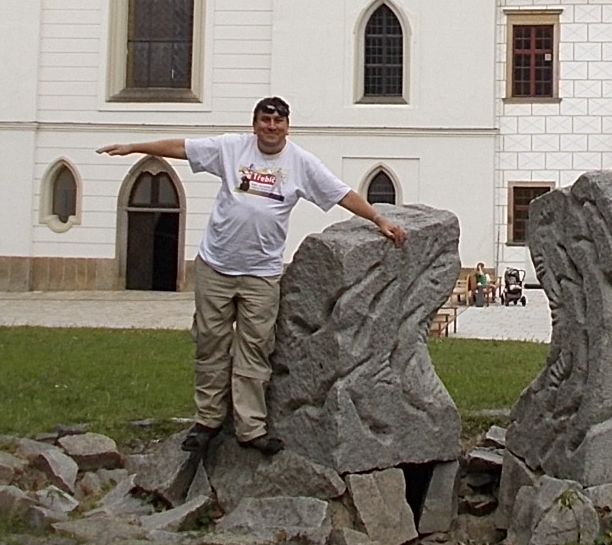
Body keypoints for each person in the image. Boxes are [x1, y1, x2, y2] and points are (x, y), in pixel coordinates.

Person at [101, 98, 405, 456]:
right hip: (216, 266)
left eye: (278, 121)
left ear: (287, 126)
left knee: (255, 348)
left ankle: (250, 427)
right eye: (265, 120)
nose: (271, 126)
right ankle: (208, 421)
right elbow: (182, 148)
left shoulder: (300, 163)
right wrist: (135, 147)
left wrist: (378, 219)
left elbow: (341, 193)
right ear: (255, 124)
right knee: (210, 343)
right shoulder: (231, 148)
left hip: (261, 274)